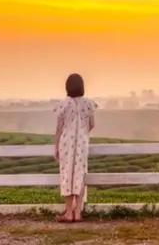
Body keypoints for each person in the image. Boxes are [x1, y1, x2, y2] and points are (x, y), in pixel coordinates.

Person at [54, 73, 97, 222]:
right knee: (80, 175)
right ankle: (77, 212)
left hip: (66, 143)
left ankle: (68, 212)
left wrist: (56, 146)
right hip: (82, 144)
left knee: (67, 175)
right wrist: (83, 133)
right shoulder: (89, 104)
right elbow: (92, 124)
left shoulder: (63, 104)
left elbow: (59, 128)